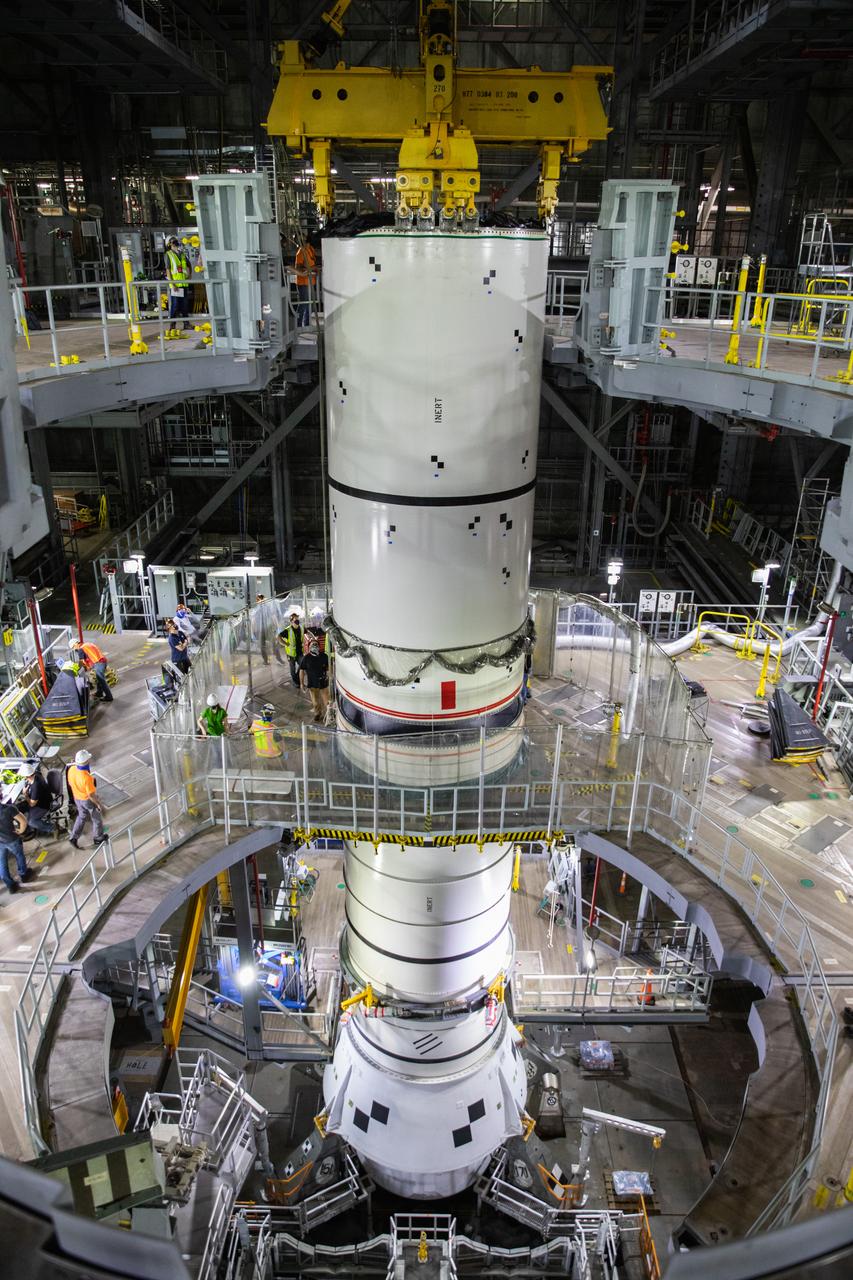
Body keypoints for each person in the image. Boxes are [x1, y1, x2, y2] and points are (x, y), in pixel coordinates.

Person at [67, 749, 105, 849]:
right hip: (86, 800)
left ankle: (73, 837)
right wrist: (98, 804)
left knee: (81, 816)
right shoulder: (87, 777)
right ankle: (98, 837)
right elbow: (91, 796)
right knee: (96, 818)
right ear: (86, 762)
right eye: (88, 759)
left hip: (77, 798)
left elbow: (70, 784)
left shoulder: (72, 769)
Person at [17, 762, 55, 838]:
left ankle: (52, 828)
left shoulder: (36, 786)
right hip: (39, 799)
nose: (24, 778)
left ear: (28, 776)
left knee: (32, 821)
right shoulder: (37, 774)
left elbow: (32, 804)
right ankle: (25, 828)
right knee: (16, 809)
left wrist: (25, 795)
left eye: (24, 777)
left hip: (43, 805)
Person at [0, 800, 30, 893]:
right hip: (12, 839)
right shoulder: (9, 808)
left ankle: (10, 886)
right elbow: (23, 821)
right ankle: (24, 875)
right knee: (19, 856)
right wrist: (20, 831)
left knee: (2, 864)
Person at [165, 235, 192, 334]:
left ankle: (186, 323)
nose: (175, 242)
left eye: (175, 240)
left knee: (185, 305)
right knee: (175, 306)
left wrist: (190, 276)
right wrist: (173, 283)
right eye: (173, 241)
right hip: (176, 285)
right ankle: (172, 326)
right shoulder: (168, 254)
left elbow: (189, 265)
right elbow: (168, 270)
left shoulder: (182, 254)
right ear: (169, 244)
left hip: (184, 284)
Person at [298, 641, 329, 722]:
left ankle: (329, 715)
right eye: (312, 644)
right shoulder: (306, 658)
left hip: (323, 683)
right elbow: (301, 670)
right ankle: (318, 713)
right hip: (312, 684)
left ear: (319, 646)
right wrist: (301, 684)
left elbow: (328, 667)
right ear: (309, 647)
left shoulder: (324, 656)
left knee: (327, 702)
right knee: (315, 702)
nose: (314, 645)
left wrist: (330, 675)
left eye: (316, 644)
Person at [295, 239, 317, 326]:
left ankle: (307, 324)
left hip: (311, 281)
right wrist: (313, 268)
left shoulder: (310, 249)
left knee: (309, 304)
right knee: (304, 304)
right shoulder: (301, 251)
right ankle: (299, 325)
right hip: (303, 283)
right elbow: (298, 268)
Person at [278, 612, 303, 688]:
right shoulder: (288, 630)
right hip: (291, 654)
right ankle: (296, 682)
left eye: (297, 619)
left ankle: (297, 680)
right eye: (295, 619)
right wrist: (285, 644)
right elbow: (278, 637)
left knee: (302, 666)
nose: (297, 621)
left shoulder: (301, 628)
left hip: (299, 652)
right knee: (292, 670)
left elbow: (307, 633)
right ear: (291, 621)